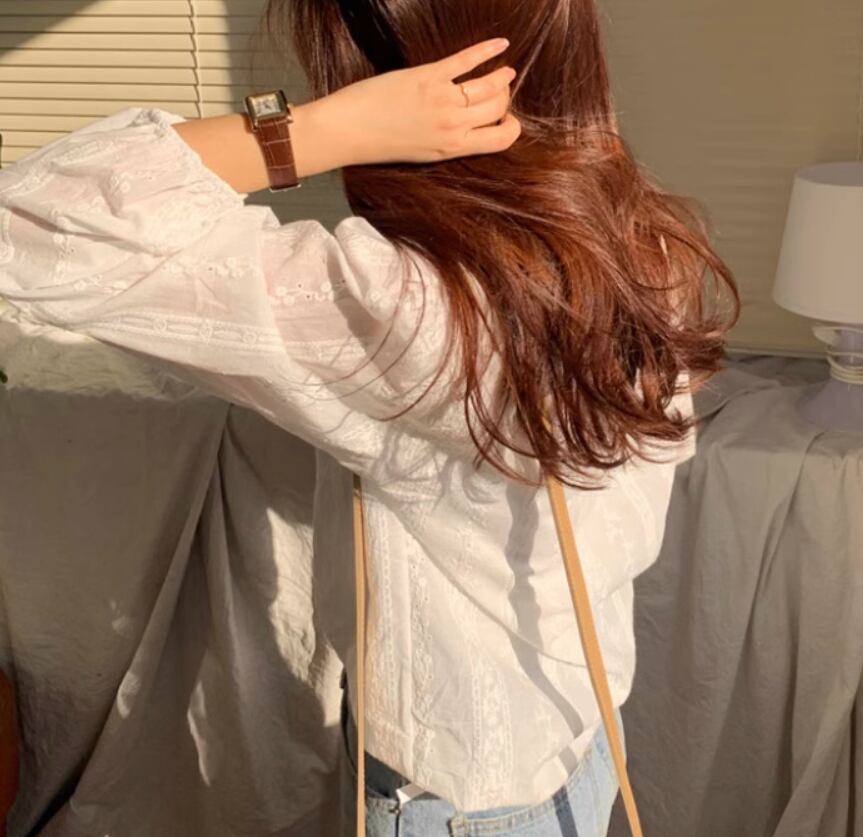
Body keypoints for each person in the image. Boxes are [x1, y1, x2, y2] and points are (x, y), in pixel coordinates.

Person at [0, 0, 739, 834]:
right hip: (581, 731)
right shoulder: (638, 239)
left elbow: (24, 223)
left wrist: (315, 130)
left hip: (452, 800)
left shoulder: (406, 309)